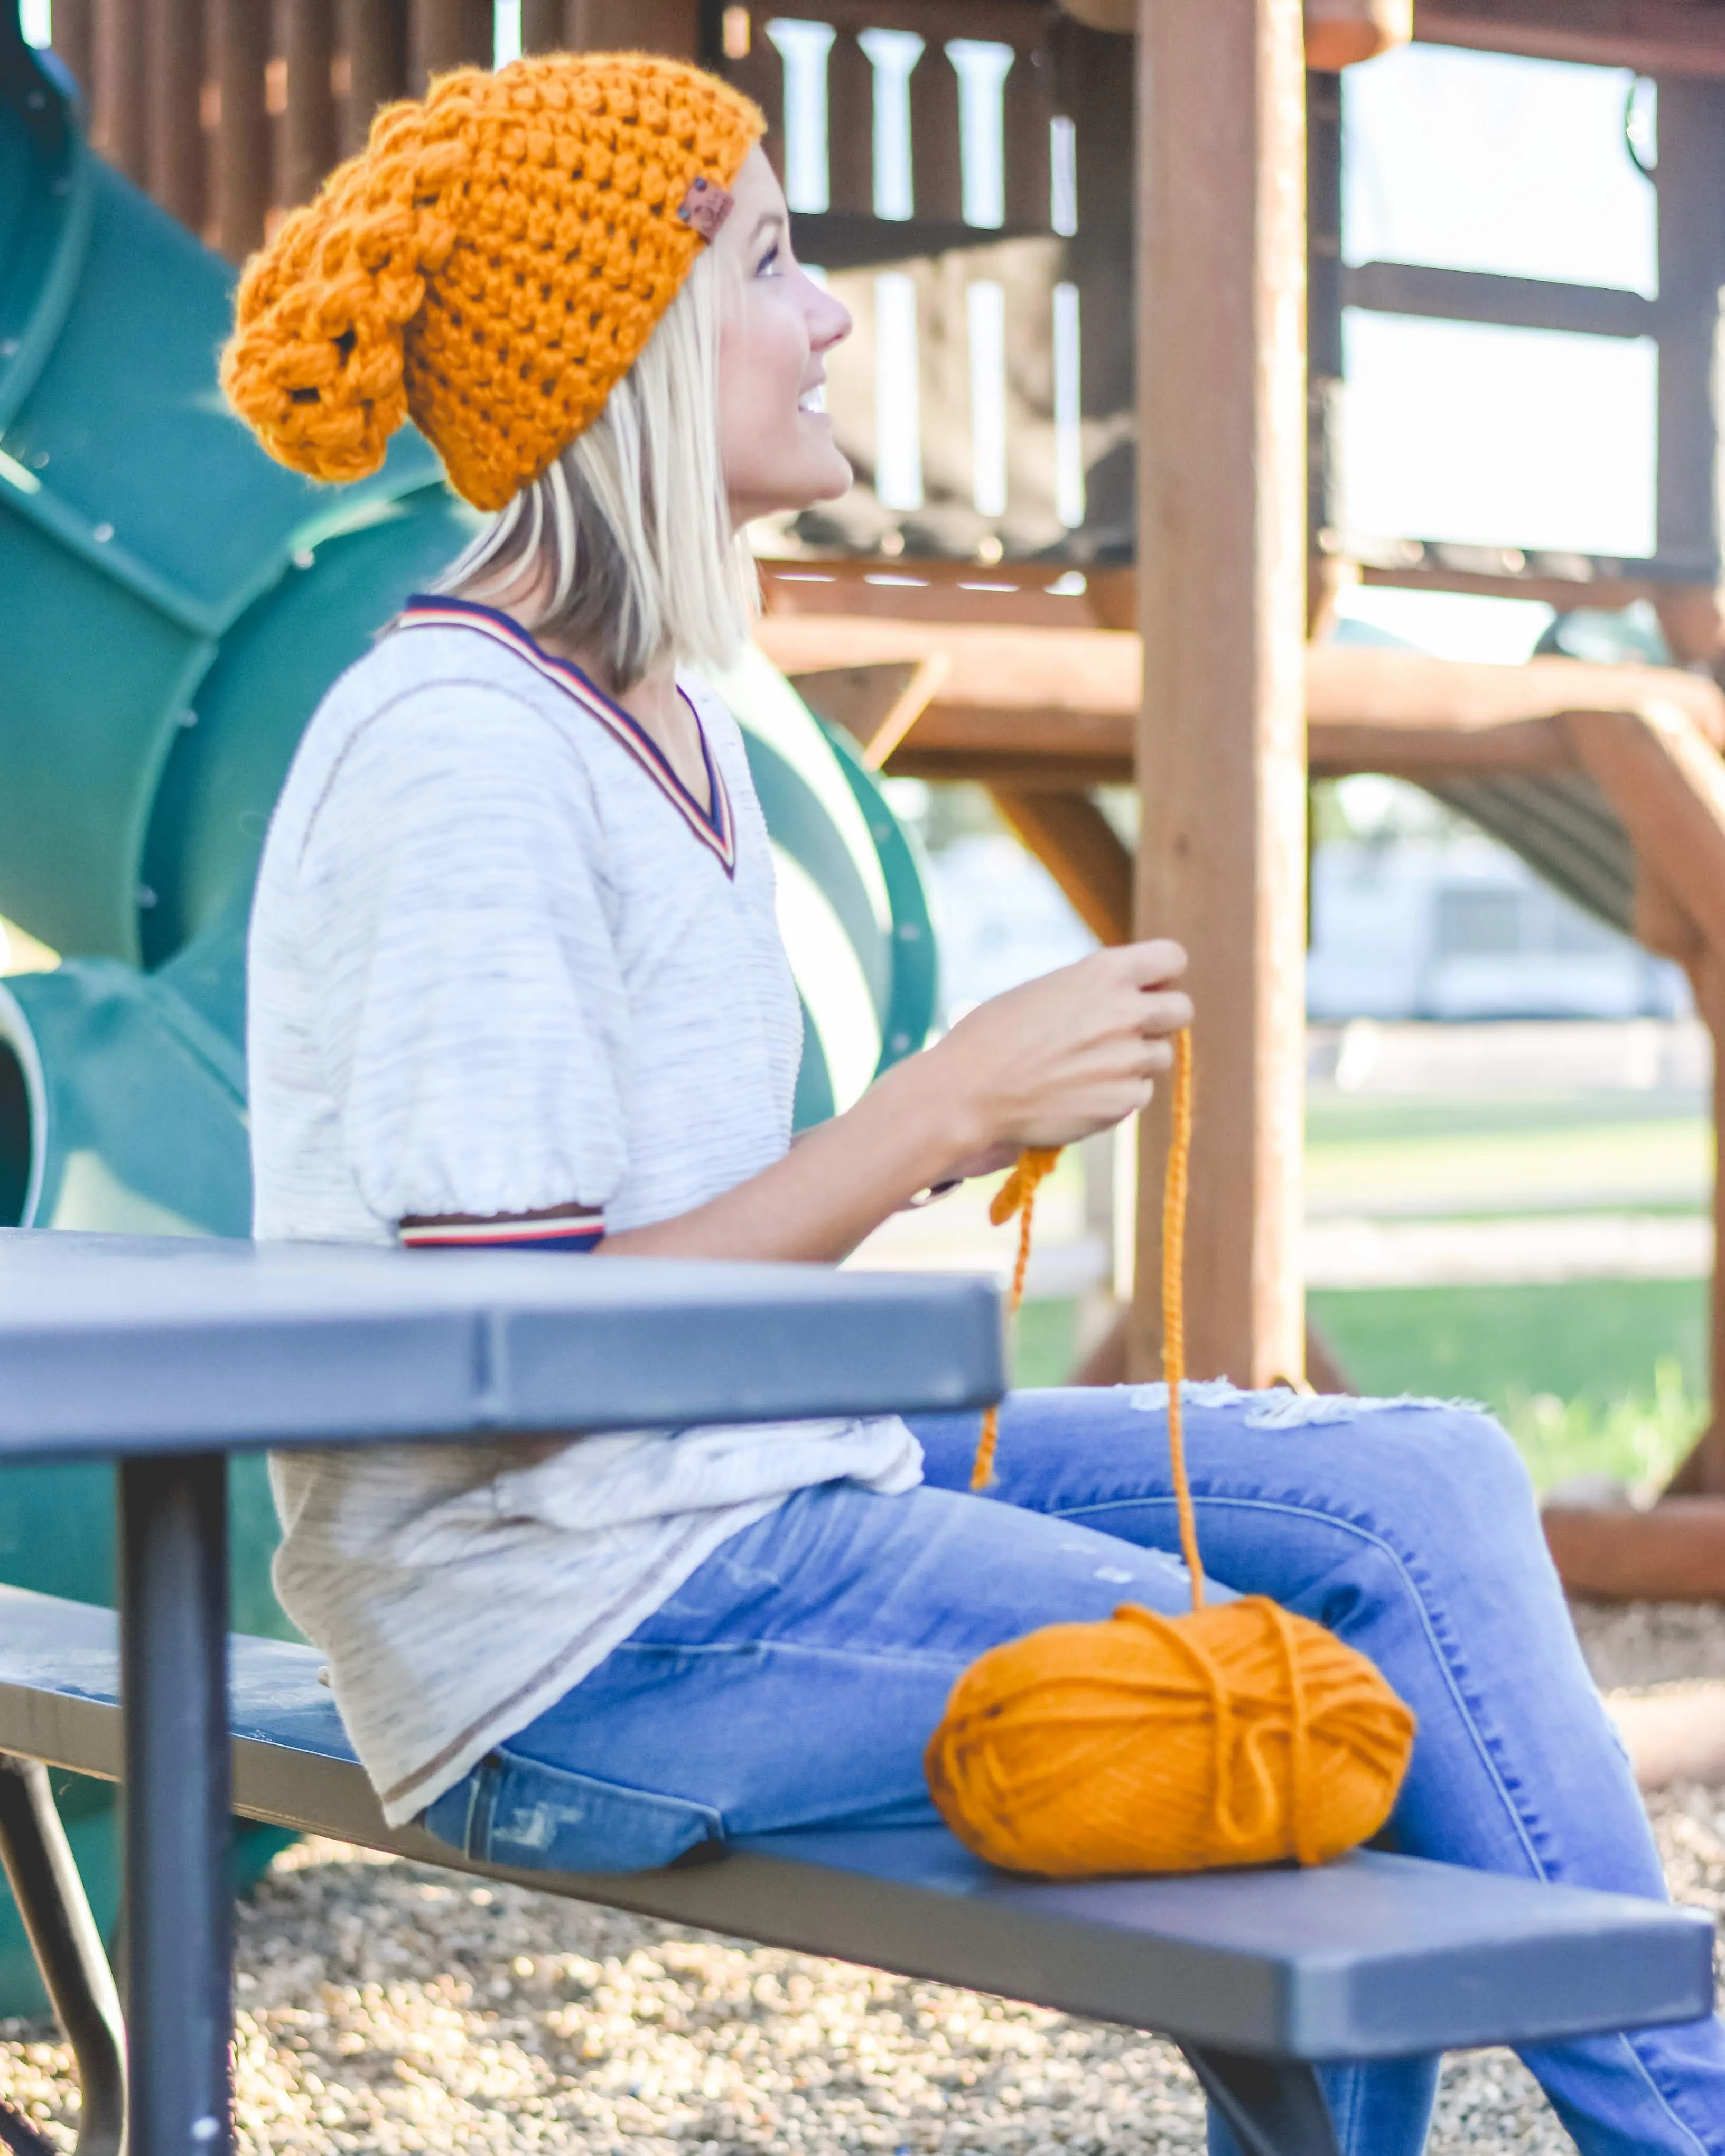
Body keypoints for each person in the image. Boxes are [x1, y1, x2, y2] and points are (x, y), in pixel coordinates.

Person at [225, 51, 1724, 2156]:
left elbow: (640, 1263)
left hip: (731, 1497)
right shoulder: (462, 755)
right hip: (578, 1626)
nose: (837, 314)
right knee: (1288, 1716)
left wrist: (943, 1136)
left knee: (1429, 1484)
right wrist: (931, 1114)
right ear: (638, 350)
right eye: (773, 260)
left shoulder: (670, 718)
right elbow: (506, 1364)